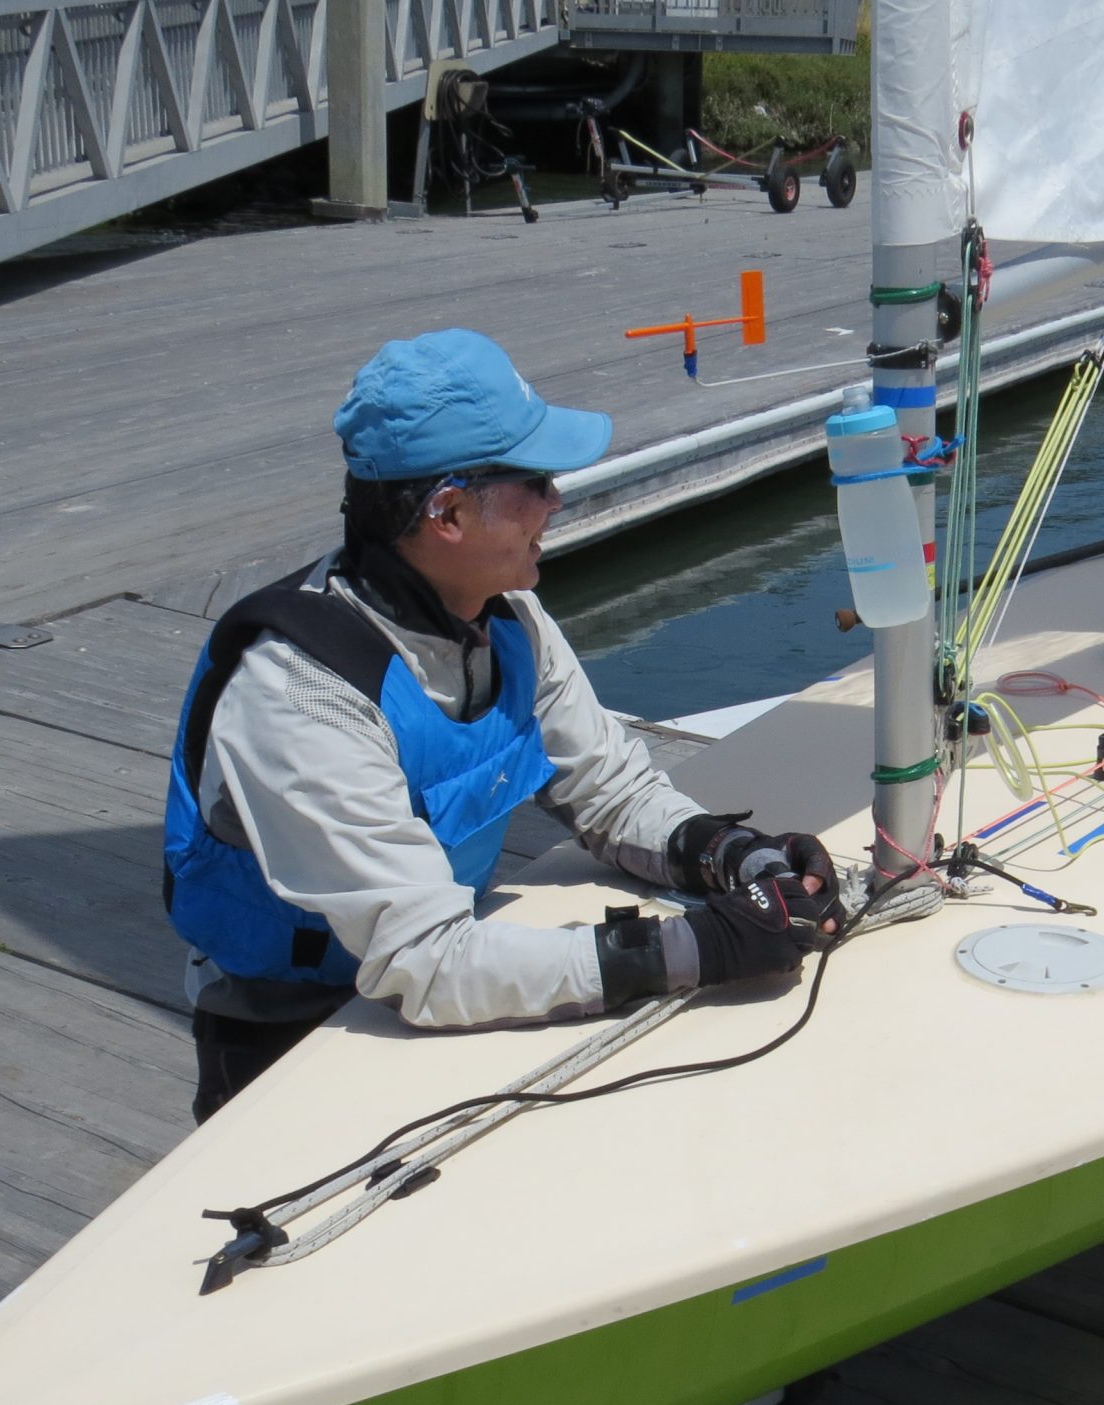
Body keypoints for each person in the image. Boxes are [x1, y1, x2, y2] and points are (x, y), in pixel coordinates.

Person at [164, 328, 846, 1122]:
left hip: (436, 984)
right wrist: (701, 948)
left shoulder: (508, 614)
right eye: (538, 481)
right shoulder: (299, 694)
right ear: (448, 512)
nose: (558, 501)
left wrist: (730, 856)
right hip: (292, 1034)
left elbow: (612, 792)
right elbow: (425, 961)